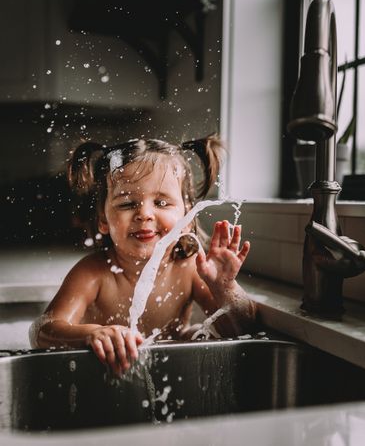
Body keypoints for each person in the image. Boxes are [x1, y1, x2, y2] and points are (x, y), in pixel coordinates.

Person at [30, 134, 257, 376]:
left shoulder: (189, 268)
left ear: (187, 218)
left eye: (161, 203)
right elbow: (42, 330)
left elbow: (241, 329)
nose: (144, 214)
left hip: (170, 375)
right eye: (127, 204)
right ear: (103, 220)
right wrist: (91, 334)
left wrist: (225, 287)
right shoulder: (93, 272)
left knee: (194, 334)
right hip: (104, 375)